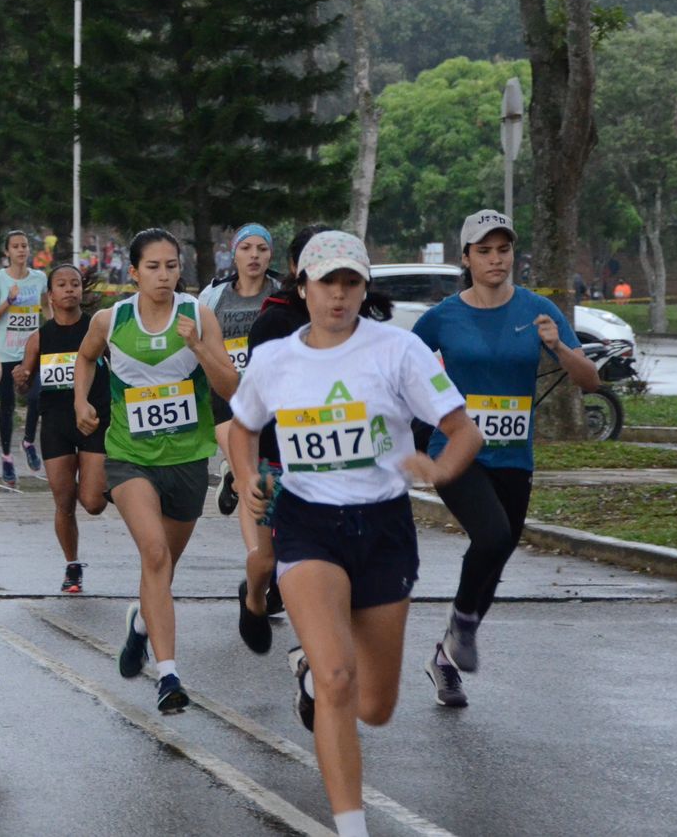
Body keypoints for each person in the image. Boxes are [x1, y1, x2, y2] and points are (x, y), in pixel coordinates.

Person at [229, 230, 480, 837]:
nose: (339, 296)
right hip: (307, 525)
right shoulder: (274, 359)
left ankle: (312, 674)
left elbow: (462, 428)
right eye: (327, 283)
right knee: (341, 679)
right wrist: (246, 480)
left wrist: (439, 469)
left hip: (384, 527)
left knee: (376, 706)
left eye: (351, 283)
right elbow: (241, 428)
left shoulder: (397, 351)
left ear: (365, 289)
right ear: (304, 287)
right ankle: (351, 828)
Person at [411, 210, 599, 708]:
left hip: (515, 455)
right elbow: (400, 369)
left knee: (496, 556)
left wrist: (558, 346)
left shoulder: (539, 311)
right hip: (455, 451)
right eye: (485, 251)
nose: (496, 259)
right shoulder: (443, 317)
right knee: (491, 536)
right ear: (466, 258)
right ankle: (463, 628)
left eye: (504, 250)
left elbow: (589, 381)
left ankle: (446, 658)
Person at [73, 228, 239, 715]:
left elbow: (230, 383)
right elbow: (85, 357)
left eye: (171, 266)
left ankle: (141, 625)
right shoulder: (111, 319)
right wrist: (82, 401)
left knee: (163, 568)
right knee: (154, 552)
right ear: (134, 272)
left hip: (188, 460)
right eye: (153, 267)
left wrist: (201, 347)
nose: (164, 275)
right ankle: (168, 677)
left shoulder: (198, 315)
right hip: (128, 457)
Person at [230, 224, 329, 654]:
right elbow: (251, 410)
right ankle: (254, 598)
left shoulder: (358, 321)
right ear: (295, 268)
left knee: (321, 563)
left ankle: (316, 658)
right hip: (278, 460)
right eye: (316, 263)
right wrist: (246, 472)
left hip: (334, 464)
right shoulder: (275, 320)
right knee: (268, 560)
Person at [13, 263, 107, 593]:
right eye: (62, 285)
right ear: (50, 295)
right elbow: (25, 385)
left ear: (82, 290)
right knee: (64, 501)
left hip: (95, 420)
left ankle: (109, 483)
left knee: (93, 502)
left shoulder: (97, 329)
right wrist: (20, 380)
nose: (70, 289)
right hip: (55, 423)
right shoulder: (39, 338)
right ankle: (72, 566)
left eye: (75, 284)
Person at [200, 223, 282, 517]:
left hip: (269, 395)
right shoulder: (213, 296)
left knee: (259, 473)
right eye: (246, 248)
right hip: (225, 393)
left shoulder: (282, 293)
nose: (254, 255)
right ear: (234, 255)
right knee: (249, 474)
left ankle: (234, 482)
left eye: (262, 249)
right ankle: (235, 479)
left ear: (270, 256)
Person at [0, 230, 48, 485]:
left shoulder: (39, 278)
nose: (21, 250)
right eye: (16, 246)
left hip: (32, 350)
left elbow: (47, 309)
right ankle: (7, 458)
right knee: (7, 406)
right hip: (6, 353)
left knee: (36, 396)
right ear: (7, 252)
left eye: (25, 245)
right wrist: (8, 302)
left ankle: (29, 440)